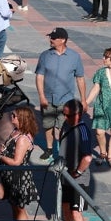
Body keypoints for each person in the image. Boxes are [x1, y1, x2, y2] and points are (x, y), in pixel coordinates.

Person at [34, 28, 86, 161]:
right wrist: (41, 96)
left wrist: (83, 100)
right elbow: (39, 76)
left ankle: (63, 151)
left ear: (63, 40)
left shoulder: (74, 57)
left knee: (65, 127)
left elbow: (80, 78)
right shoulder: (45, 55)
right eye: (50, 37)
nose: (50, 40)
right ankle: (49, 149)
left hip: (66, 100)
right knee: (47, 125)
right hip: (48, 99)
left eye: (53, 38)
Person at [57, 99, 94, 221]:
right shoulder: (66, 125)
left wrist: (77, 173)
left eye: (68, 115)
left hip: (79, 180)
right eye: (63, 114)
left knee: (76, 212)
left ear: (78, 114)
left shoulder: (83, 131)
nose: (65, 118)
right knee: (65, 208)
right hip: (66, 176)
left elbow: (87, 158)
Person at [0, 106, 40, 221]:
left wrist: (0, 156)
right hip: (11, 176)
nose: (11, 117)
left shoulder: (22, 139)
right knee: (14, 205)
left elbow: (16, 162)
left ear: (21, 118)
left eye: (14, 115)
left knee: (19, 207)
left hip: (18, 177)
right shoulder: (16, 132)